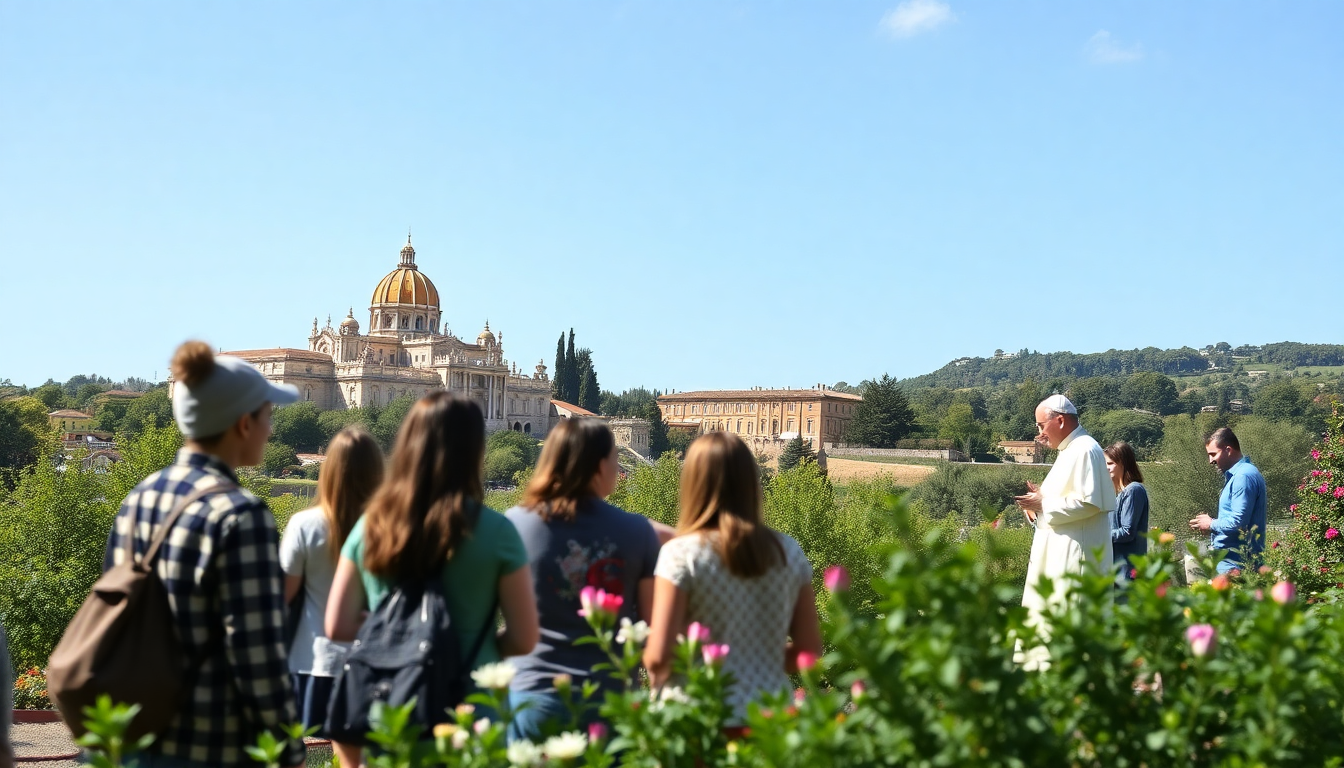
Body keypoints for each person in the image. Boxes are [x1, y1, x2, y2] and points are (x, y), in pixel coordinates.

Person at [103, 341, 304, 768]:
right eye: (268, 414)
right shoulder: (241, 514)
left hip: (134, 735)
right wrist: (288, 747)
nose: (272, 427)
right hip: (207, 742)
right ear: (243, 424)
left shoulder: (140, 497)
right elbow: (258, 651)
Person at [326, 393, 539, 765]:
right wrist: (476, 640)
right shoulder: (497, 531)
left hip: (392, 715)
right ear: (475, 452)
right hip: (473, 719)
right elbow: (524, 637)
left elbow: (338, 625)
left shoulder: (370, 526)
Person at [643, 432, 823, 724]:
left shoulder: (681, 554)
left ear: (691, 485)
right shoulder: (787, 551)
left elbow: (658, 658)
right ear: (750, 483)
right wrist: (755, 658)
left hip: (698, 719)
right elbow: (810, 652)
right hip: (770, 722)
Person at [504, 418, 663, 741]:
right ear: (598, 465)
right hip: (612, 704)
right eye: (615, 458)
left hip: (532, 697)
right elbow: (649, 631)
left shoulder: (514, 524)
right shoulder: (637, 532)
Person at [279, 427, 384, 739]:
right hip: (378, 662)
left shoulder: (305, 524)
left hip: (314, 661)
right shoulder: (390, 529)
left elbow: (283, 595)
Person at [1013, 395, 1116, 668]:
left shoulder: (1084, 449)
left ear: (1060, 420)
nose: (1039, 434)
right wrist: (1039, 502)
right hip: (1059, 557)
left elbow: (1090, 503)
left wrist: (1043, 503)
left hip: (1074, 561)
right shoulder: (1071, 451)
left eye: (1041, 426)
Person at [1188, 427, 1268, 574]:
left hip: (1237, 565)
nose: (1210, 461)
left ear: (1228, 450)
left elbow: (1238, 522)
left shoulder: (1242, 477)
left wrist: (1211, 523)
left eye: (1213, 454)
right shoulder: (1242, 474)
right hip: (1235, 563)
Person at [1104, 441, 1149, 582]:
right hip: (1117, 570)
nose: (1106, 468)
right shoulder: (1117, 494)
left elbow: (1127, 532)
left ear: (1123, 463)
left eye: (1110, 463)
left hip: (1127, 572)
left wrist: (1098, 535)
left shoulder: (1133, 490)